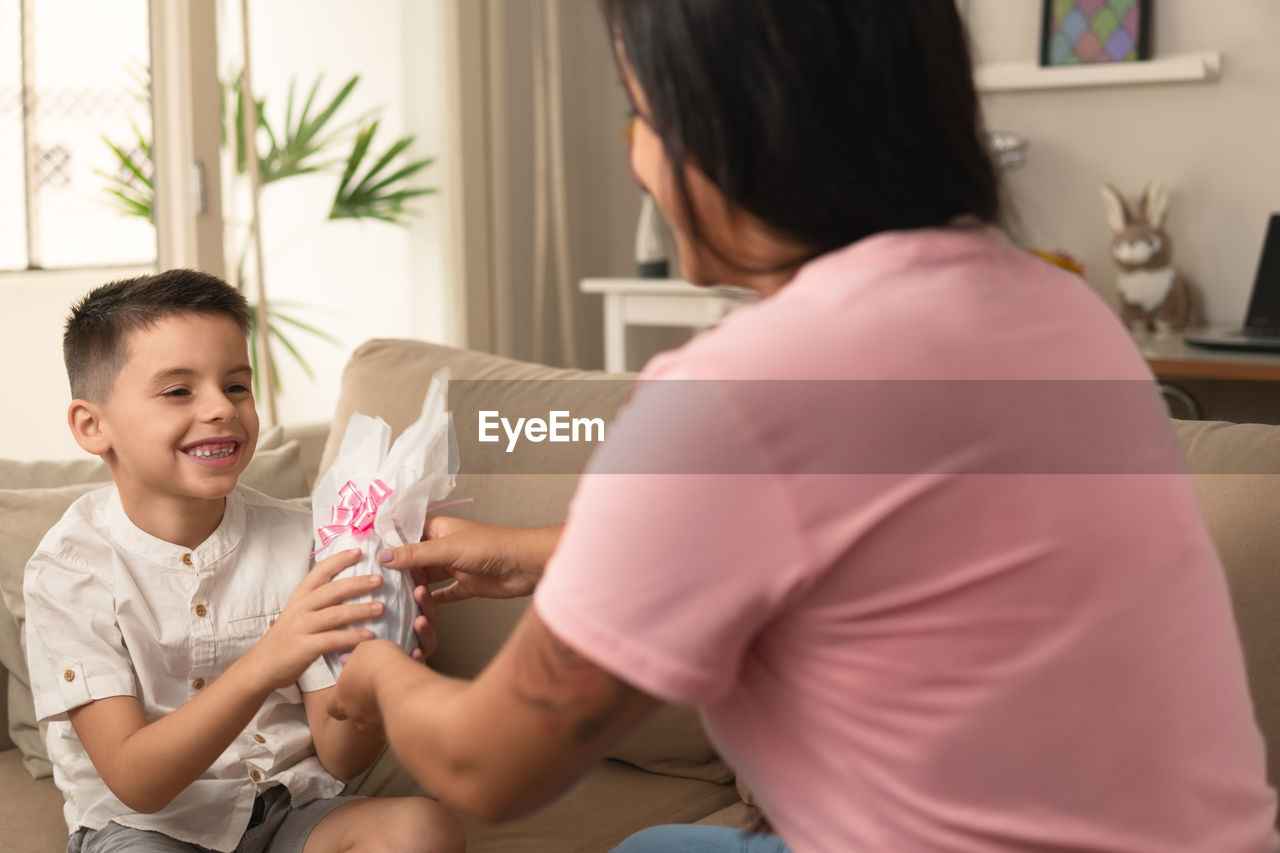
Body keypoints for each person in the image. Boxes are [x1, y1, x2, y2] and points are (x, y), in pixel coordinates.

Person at [329, 1, 1279, 850]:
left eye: (643, 115)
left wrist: (370, 670)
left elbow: (491, 766)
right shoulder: (1069, 316)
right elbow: (877, 532)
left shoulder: (736, 395)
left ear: (739, 127)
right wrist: (537, 554)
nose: (637, 158)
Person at [24, 270, 465, 853]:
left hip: (290, 810)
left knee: (423, 829)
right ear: (92, 425)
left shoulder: (301, 537)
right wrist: (268, 660)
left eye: (236, 386)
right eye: (179, 391)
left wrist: (372, 687)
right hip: (146, 828)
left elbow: (339, 754)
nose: (220, 409)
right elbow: (137, 782)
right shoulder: (69, 569)